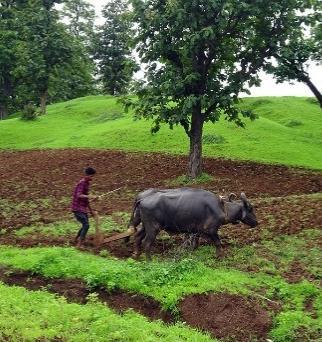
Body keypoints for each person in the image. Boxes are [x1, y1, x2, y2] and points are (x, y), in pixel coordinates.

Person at [71, 167, 97, 248]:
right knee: (86, 225)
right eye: (91, 176)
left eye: (93, 176)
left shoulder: (86, 183)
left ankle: (76, 239)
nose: (92, 178)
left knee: (84, 225)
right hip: (77, 208)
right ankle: (79, 244)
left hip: (82, 208)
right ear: (87, 175)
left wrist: (91, 211)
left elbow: (86, 200)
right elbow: (79, 195)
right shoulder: (82, 183)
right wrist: (91, 196)